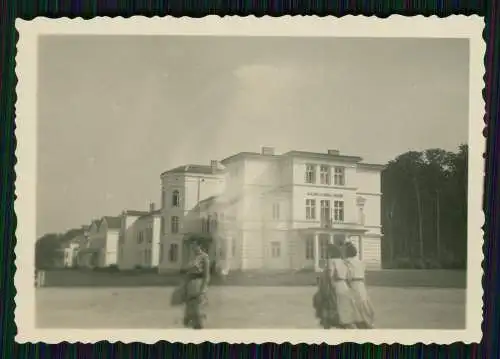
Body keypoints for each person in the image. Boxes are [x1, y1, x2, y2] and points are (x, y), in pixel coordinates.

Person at [315, 243, 360, 329]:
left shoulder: (331, 261)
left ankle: (329, 323)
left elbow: (330, 274)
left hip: (333, 286)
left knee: (327, 304)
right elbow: (348, 276)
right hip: (344, 286)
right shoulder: (344, 262)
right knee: (342, 308)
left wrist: (328, 284)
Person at [344, 241, 375, 329]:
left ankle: (361, 324)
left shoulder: (347, 262)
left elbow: (347, 275)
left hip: (353, 284)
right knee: (363, 302)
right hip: (361, 284)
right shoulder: (360, 262)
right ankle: (368, 322)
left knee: (354, 304)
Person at [182, 238, 210, 329]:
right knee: (188, 314)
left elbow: (206, 275)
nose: (193, 247)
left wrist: (203, 289)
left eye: (195, 245)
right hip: (190, 285)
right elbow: (188, 273)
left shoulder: (204, 257)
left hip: (198, 285)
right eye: (192, 246)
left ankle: (199, 329)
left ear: (200, 246)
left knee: (196, 311)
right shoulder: (192, 258)